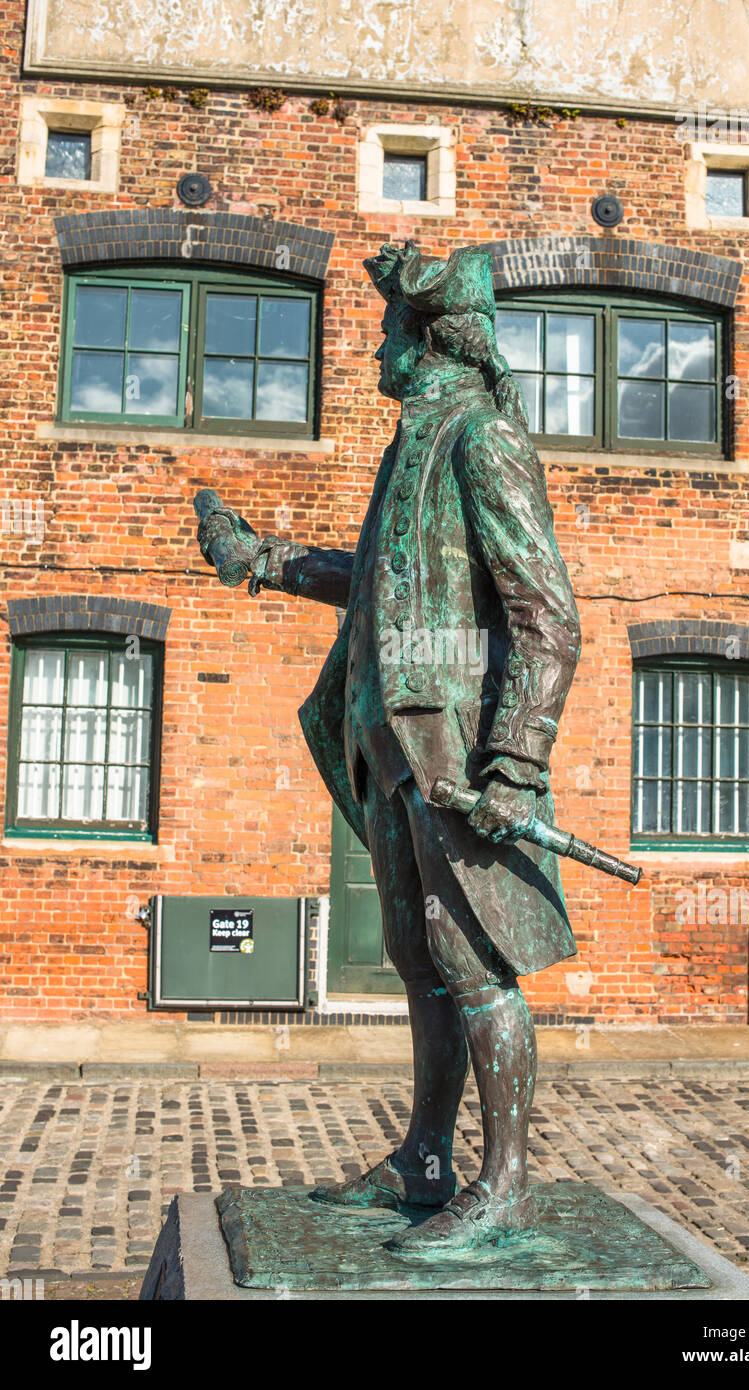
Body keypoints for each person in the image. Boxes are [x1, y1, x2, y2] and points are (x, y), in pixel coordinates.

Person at [208, 241, 581, 1255]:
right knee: (418, 958)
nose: (373, 345)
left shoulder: (482, 440)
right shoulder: (410, 445)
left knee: (474, 964)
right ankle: (427, 1154)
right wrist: (267, 561)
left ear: (426, 342)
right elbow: (376, 582)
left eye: (383, 330)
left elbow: (548, 617)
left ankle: (503, 1184)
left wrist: (516, 761)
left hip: (454, 756)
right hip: (388, 742)